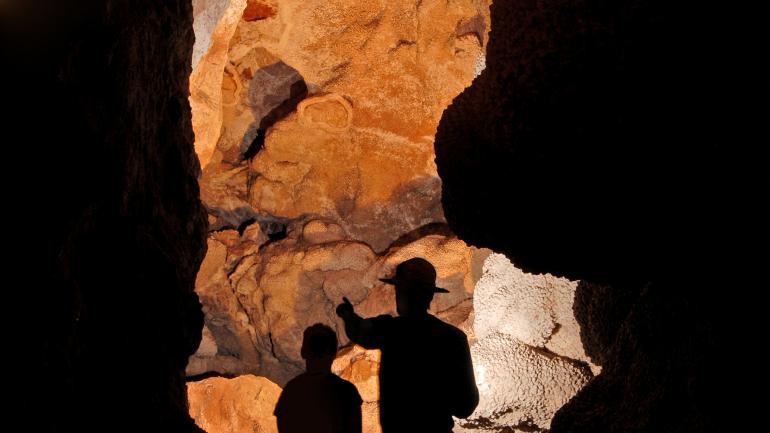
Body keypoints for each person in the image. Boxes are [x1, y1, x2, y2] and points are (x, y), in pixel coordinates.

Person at [336, 257, 479, 433]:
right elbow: (466, 406)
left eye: (399, 290)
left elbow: (360, 331)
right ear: (431, 295)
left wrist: (347, 314)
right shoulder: (453, 338)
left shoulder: (390, 330)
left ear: (400, 292)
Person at [274, 324, 362, 433]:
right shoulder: (348, 391)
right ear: (334, 353)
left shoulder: (292, 390)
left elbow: (283, 427)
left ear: (303, 352)